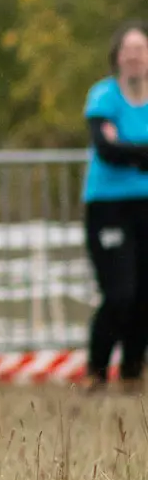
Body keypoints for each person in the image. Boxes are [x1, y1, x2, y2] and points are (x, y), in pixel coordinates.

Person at [84, 21, 148, 389]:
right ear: (118, 57)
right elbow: (107, 150)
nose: (135, 57)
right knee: (120, 292)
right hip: (108, 206)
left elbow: (121, 148)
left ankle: (133, 370)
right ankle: (96, 370)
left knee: (145, 293)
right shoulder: (104, 96)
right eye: (129, 50)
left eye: (141, 50)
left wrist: (131, 151)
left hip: (145, 206)